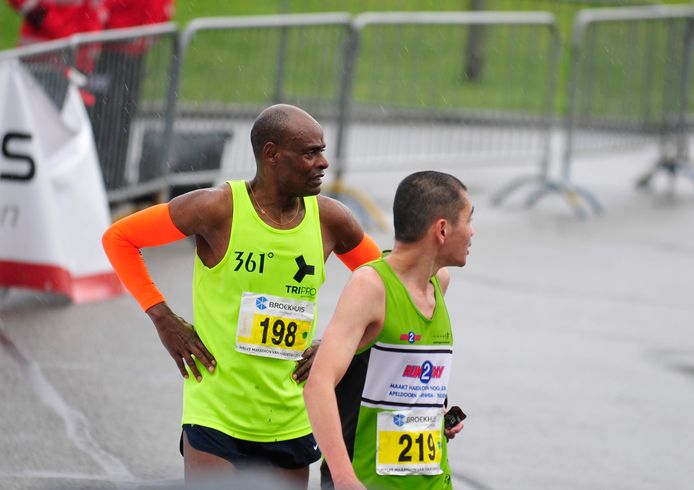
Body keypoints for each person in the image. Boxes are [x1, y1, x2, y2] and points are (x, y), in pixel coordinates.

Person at [101, 104, 381, 487]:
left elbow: (388, 288)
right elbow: (119, 238)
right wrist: (162, 318)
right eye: (310, 153)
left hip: (290, 416)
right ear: (271, 154)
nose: (323, 163)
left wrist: (338, 346)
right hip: (216, 414)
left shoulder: (330, 219)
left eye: (322, 151)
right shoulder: (217, 208)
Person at [303, 171, 474, 489]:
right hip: (368, 480)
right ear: (442, 229)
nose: (473, 232)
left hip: (433, 480)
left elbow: (403, 374)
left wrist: (435, 416)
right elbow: (318, 385)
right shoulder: (371, 286)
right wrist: (343, 477)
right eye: (469, 220)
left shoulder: (439, 283)